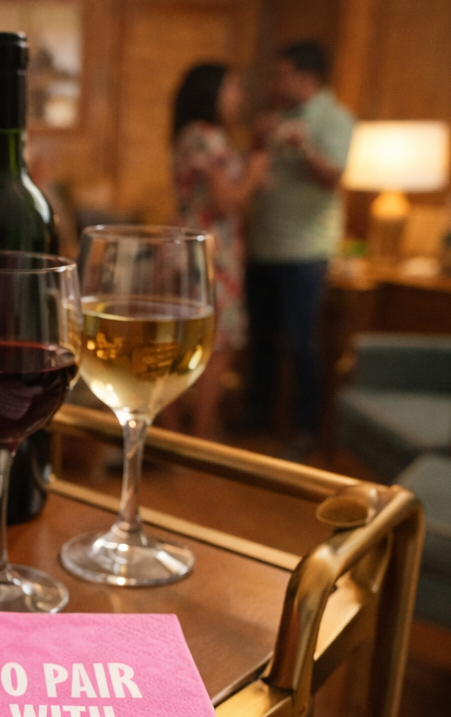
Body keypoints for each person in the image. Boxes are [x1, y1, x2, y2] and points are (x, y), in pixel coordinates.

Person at [246, 40, 355, 457]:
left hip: (305, 250)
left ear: (308, 77)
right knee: (263, 337)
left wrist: (303, 145)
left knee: (300, 340)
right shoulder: (278, 117)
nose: (276, 83)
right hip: (264, 243)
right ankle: (257, 417)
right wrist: (259, 142)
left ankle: (306, 430)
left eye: (282, 75)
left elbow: (334, 177)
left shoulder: (335, 118)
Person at [167, 63, 267, 439]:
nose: (238, 97)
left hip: (194, 249)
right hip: (210, 252)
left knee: (185, 341)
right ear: (212, 93)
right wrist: (255, 174)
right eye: (233, 88)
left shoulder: (192, 136)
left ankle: (175, 437)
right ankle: (199, 439)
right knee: (214, 344)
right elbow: (225, 201)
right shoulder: (205, 136)